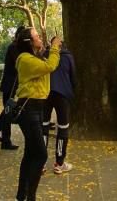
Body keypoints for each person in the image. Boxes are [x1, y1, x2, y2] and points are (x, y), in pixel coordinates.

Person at [14, 28, 62, 201]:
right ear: (29, 42)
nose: (40, 38)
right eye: (36, 37)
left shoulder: (33, 57)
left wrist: (47, 48)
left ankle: (22, 195)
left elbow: (46, 64)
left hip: (37, 108)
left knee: (30, 153)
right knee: (41, 155)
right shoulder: (25, 59)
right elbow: (50, 66)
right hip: (29, 110)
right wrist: (55, 47)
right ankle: (30, 197)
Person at [0, 26, 27, 150]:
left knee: (7, 110)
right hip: (10, 85)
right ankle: (5, 141)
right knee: (8, 111)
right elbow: (19, 64)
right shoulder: (14, 47)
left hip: (13, 84)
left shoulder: (16, 47)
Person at [42, 41, 76, 174]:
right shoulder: (68, 57)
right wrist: (71, 92)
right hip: (62, 95)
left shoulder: (45, 55)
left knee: (43, 126)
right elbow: (73, 78)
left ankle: (41, 163)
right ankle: (59, 163)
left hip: (46, 94)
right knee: (62, 127)